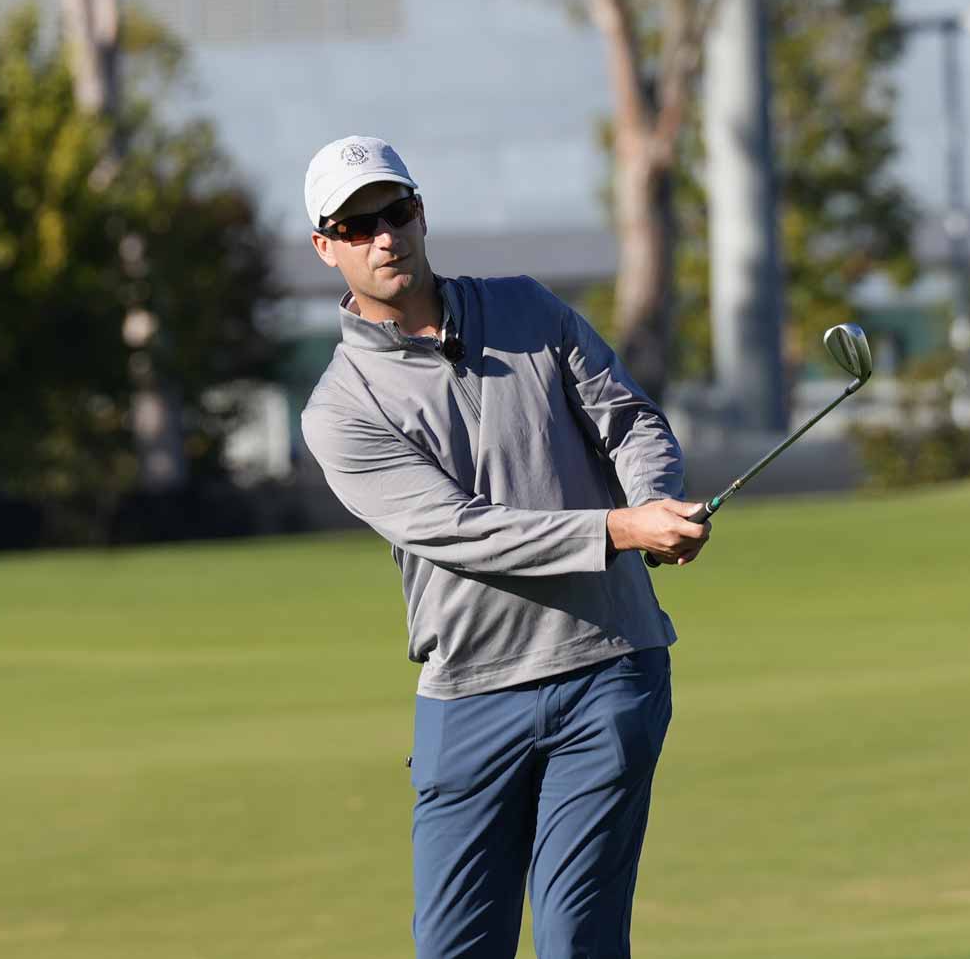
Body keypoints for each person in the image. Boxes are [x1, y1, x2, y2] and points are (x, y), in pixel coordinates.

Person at [297, 135, 710, 958]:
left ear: (421, 212)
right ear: (325, 246)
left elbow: (627, 419)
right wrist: (622, 529)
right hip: (471, 697)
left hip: (608, 670)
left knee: (576, 942)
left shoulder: (529, 308)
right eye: (356, 225)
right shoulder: (338, 411)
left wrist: (651, 495)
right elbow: (461, 531)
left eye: (396, 211)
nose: (384, 236)